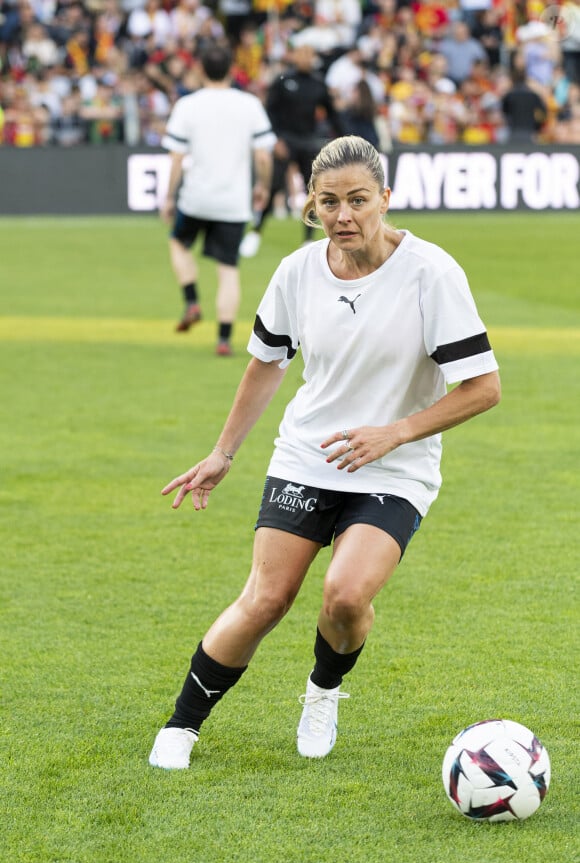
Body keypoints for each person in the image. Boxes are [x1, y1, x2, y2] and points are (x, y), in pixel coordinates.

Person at [149, 135, 501, 770]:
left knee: (343, 596)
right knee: (265, 598)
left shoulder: (432, 273)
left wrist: (394, 433)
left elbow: (483, 388)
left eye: (359, 200)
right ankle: (182, 725)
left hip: (394, 466)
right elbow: (265, 365)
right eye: (329, 202)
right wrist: (222, 453)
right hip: (307, 456)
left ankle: (323, 691)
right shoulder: (297, 271)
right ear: (311, 204)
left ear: (385, 199)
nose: (344, 216)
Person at [161, 41, 275, 355]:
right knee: (228, 270)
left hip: (196, 197)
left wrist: (169, 197)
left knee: (177, 243)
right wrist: (262, 186)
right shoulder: (249, 104)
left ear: (200, 69)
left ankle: (192, 300)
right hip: (233, 202)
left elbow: (176, 158)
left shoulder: (188, 105)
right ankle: (224, 339)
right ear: (232, 70)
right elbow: (263, 157)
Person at [239, 42, 344, 259]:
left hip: (309, 143)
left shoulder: (318, 83)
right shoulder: (283, 81)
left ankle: (308, 238)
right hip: (285, 142)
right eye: (302, 53)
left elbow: (333, 115)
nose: (305, 57)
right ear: (294, 56)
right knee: (274, 186)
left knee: (314, 191)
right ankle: (256, 232)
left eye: (309, 53)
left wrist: (345, 138)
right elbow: (269, 112)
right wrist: (275, 139)